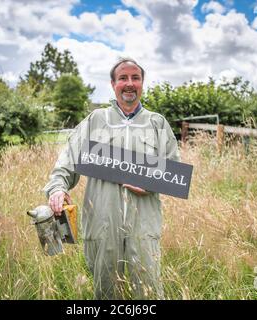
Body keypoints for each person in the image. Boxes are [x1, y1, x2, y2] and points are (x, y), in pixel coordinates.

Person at [43, 58, 180, 299]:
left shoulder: (157, 123)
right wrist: (56, 189)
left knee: (147, 291)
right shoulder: (96, 120)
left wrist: (152, 183)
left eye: (135, 78)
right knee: (105, 291)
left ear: (142, 83)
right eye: (123, 78)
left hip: (144, 223)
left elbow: (173, 170)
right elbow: (66, 162)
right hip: (102, 222)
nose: (129, 83)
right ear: (113, 84)